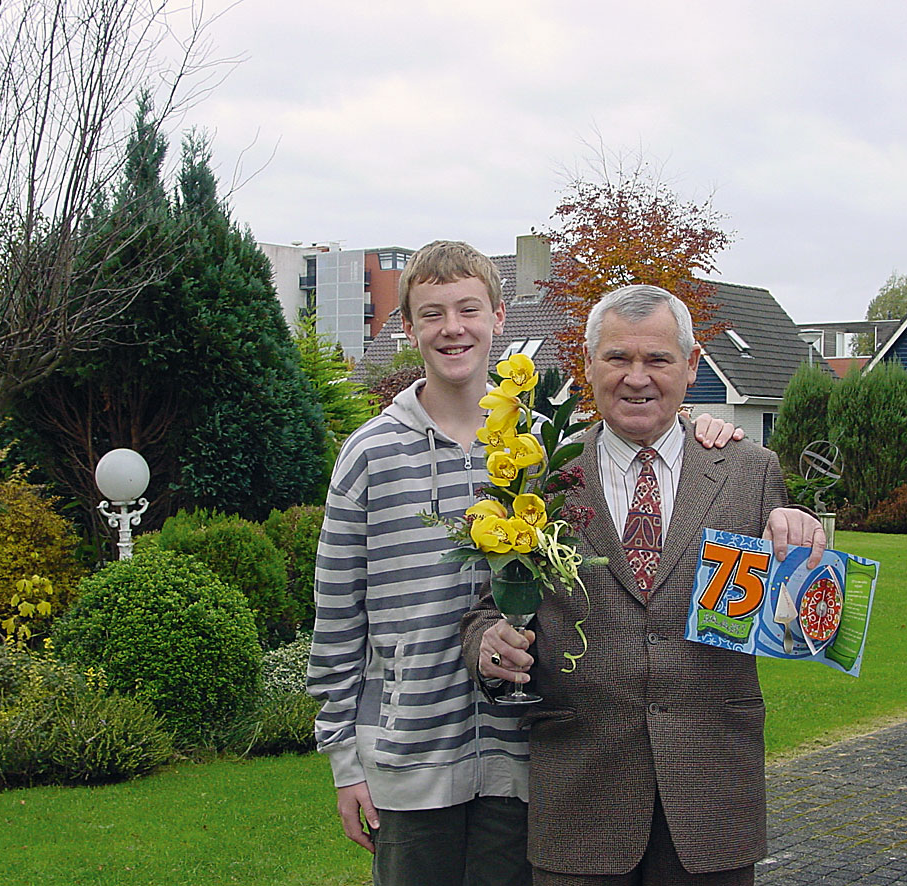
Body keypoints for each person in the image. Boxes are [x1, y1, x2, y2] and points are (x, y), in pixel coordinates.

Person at [306, 243, 752, 886]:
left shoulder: (545, 448)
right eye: (432, 314)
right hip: (410, 756)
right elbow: (337, 614)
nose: (452, 327)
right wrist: (345, 760)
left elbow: (643, 447)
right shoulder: (370, 454)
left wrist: (700, 424)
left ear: (500, 317)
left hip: (524, 756)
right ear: (407, 327)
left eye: (468, 309)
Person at [464, 283, 826, 886]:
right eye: (618, 358)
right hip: (583, 798)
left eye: (657, 359)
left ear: (690, 366)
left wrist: (804, 544)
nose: (637, 377)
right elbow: (488, 604)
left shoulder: (749, 469)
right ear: (588, 367)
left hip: (710, 801)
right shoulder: (540, 474)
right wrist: (487, 642)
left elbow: (794, 615)